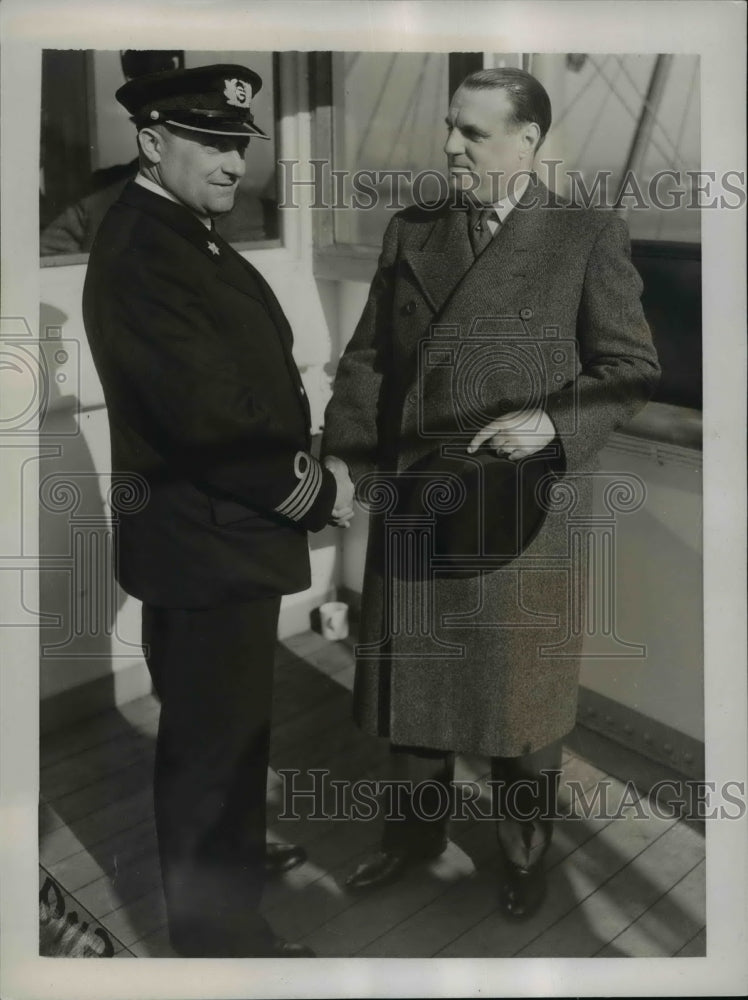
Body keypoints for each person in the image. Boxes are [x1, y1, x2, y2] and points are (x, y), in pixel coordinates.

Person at [321, 68, 660, 918]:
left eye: (472, 133)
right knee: (417, 700)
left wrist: (551, 425)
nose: (449, 146)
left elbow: (630, 367)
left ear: (529, 141)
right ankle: (414, 837)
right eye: (450, 127)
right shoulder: (413, 229)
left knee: (519, 706)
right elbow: (368, 361)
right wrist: (351, 468)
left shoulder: (584, 230)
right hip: (418, 495)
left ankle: (522, 857)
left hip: (520, 510)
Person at [82, 63, 353, 958]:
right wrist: (317, 493)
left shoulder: (181, 233)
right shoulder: (144, 252)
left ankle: (227, 860)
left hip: (219, 542)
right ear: (151, 143)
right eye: (211, 142)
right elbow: (210, 421)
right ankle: (219, 941)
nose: (234, 163)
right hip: (204, 547)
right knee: (210, 752)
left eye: (240, 144)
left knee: (230, 735)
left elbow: (248, 381)